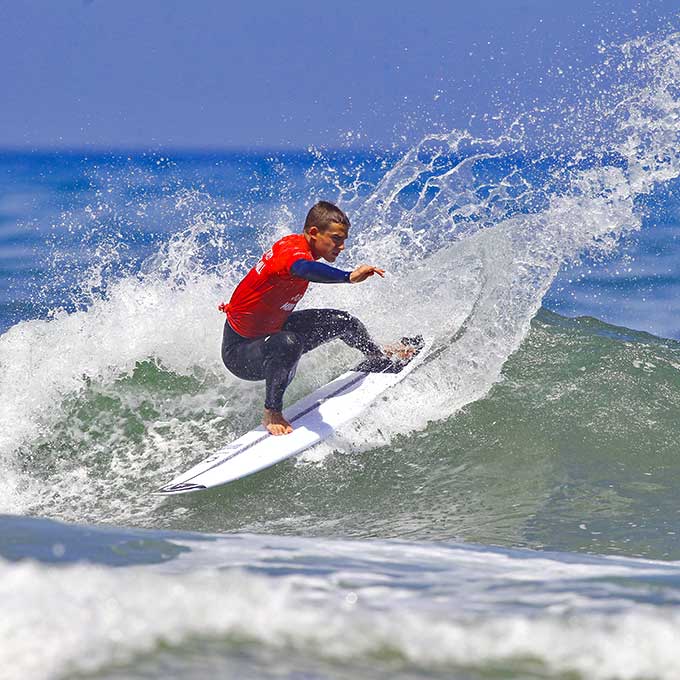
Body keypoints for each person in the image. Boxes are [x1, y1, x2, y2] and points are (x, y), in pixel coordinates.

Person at [219, 200, 413, 436]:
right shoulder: (291, 254)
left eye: (343, 240)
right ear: (313, 233)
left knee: (343, 322)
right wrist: (348, 277)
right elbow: (303, 269)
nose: (341, 247)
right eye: (336, 239)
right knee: (288, 342)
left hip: (273, 329)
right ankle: (272, 411)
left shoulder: (302, 248)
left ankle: (377, 355)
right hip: (242, 352)